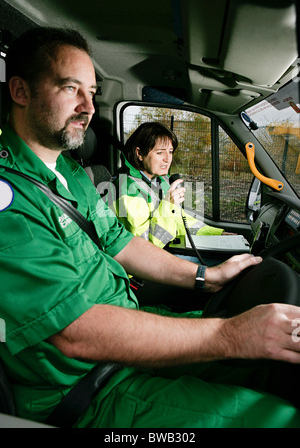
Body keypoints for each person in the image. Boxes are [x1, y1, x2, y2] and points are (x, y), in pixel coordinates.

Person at [1, 27, 300, 429]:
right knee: (279, 419)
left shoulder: (71, 175)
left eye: (92, 91)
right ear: (20, 91)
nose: (88, 106)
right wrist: (229, 334)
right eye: (72, 88)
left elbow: (122, 242)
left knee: (268, 365)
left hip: (127, 333)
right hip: (85, 387)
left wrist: (206, 277)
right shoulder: (9, 202)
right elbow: (75, 332)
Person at [107, 122, 223, 252]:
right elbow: (143, 248)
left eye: (170, 152)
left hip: (161, 253)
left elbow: (181, 220)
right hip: (140, 267)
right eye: (160, 153)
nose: (168, 159)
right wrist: (168, 206)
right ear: (139, 154)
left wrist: (217, 234)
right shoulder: (127, 189)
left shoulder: (158, 181)